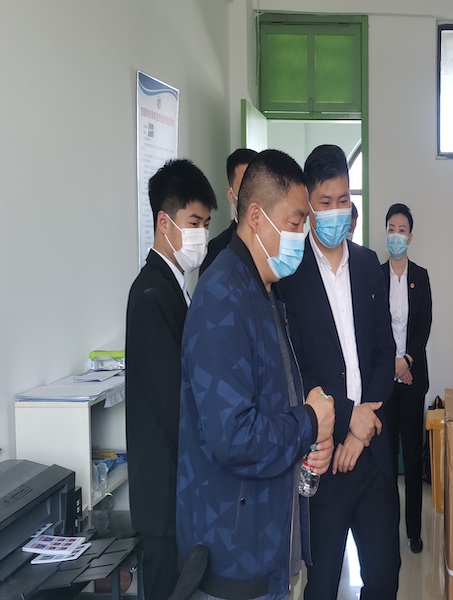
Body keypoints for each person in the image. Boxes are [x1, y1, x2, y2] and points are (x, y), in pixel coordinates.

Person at [176, 149, 335, 599]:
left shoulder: (262, 291)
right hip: (234, 561)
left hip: (267, 545)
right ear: (256, 217)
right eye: (295, 222)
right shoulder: (221, 298)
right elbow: (234, 437)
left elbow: (270, 402)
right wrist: (309, 422)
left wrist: (310, 440)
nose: (301, 236)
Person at [278, 145, 399, 599]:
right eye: (325, 202)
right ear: (308, 205)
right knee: (324, 581)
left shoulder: (367, 265)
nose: (335, 211)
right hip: (323, 457)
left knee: (383, 577)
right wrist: (349, 419)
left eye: (343, 200)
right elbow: (297, 368)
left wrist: (361, 432)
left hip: (373, 452)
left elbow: (385, 352)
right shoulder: (290, 275)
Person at [125, 158, 217, 600]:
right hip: (162, 499)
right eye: (193, 223)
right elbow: (174, 404)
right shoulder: (152, 295)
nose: (201, 234)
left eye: (206, 224)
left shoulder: (173, 287)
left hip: (177, 493)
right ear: (165, 222)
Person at [380, 203, 432, 554]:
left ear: (410, 236)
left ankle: (413, 531)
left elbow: (424, 323)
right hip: (385, 381)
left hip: (413, 380)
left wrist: (407, 360)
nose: (396, 235)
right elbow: (373, 326)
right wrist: (392, 363)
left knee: (412, 458)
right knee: (385, 461)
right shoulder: (375, 275)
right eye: (391, 229)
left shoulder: (421, 276)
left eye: (402, 230)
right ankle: (387, 530)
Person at [199, 148, 258, 276]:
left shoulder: (278, 244)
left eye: (257, 185)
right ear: (231, 195)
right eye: (244, 186)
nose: (252, 193)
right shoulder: (216, 250)